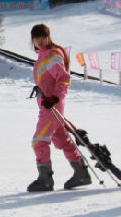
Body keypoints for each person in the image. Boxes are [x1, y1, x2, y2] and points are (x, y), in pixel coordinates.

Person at [28, 23, 90, 190]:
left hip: (51, 105)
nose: (40, 40)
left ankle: (45, 180)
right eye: (37, 37)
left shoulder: (52, 55)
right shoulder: (43, 55)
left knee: (39, 141)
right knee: (60, 138)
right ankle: (81, 174)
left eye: (43, 36)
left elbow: (64, 78)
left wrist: (55, 97)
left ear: (49, 37)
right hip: (49, 104)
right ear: (32, 39)